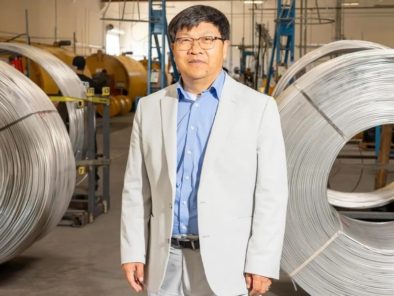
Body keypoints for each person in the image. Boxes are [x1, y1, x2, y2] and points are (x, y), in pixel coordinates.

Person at [121, 5, 288, 296]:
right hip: (164, 258)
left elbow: (271, 193)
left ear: (224, 47)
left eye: (207, 40)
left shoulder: (258, 108)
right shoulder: (149, 108)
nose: (195, 49)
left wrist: (262, 261)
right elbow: (136, 189)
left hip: (228, 260)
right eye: (185, 40)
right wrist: (133, 250)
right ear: (174, 49)